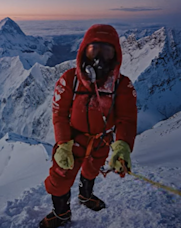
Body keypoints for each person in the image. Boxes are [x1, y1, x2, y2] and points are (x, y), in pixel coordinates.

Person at [39, 24, 137, 228]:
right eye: (95, 50)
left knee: (91, 171)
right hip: (73, 139)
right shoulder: (69, 80)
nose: (100, 58)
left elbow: (126, 119)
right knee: (60, 177)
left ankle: (85, 196)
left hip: (102, 139)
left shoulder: (122, 85)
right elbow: (59, 114)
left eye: (107, 51)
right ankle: (61, 213)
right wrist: (63, 142)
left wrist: (122, 146)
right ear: (84, 51)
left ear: (115, 55)